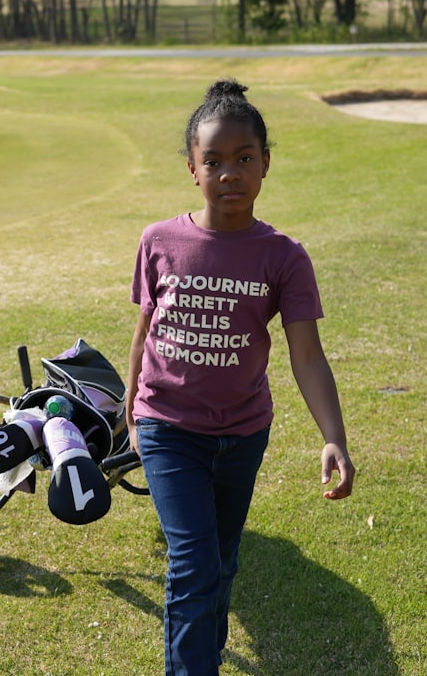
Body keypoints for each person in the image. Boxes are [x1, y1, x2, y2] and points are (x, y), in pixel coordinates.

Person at [125, 79, 355, 676]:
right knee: (194, 564)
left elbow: (307, 354)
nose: (231, 172)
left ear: (266, 164)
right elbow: (146, 329)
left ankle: (204, 645)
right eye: (214, 160)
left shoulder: (283, 256)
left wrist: (334, 436)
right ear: (192, 169)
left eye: (245, 158)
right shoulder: (159, 241)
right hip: (168, 426)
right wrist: (130, 408)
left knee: (222, 561)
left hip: (244, 432)